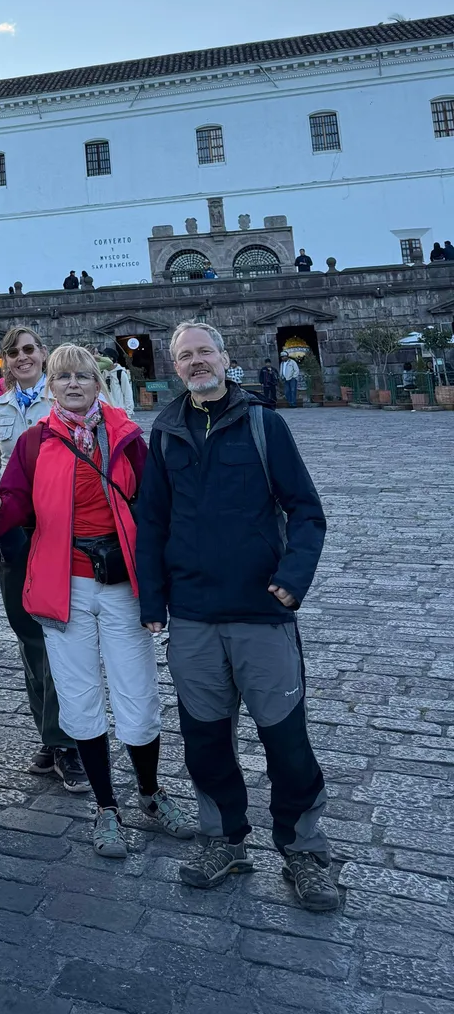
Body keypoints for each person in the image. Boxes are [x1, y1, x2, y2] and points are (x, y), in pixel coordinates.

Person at [136, 322, 335, 911]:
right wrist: (153, 599)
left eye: (205, 352)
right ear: (176, 367)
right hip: (193, 614)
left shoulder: (264, 424)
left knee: (286, 739)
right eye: (185, 355)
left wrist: (293, 581)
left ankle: (303, 849)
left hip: (261, 611)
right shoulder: (164, 432)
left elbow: (307, 511)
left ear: (225, 359)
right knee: (204, 740)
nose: (196, 362)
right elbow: (152, 522)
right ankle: (222, 838)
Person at [0, 345, 192, 856]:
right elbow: (15, 500)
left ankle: (150, 792)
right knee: (78, 696)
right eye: (62, 377)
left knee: (137, 693)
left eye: (82, 376)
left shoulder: (126, 436)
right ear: (50, 387)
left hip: (121, 582)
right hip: (65, 584)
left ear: (98, 384)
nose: (73, 384)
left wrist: (162, 582)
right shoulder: (34, 442)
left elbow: (155, 507)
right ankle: (105, 806)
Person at [0, 327, 87, 791]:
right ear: (5, 360)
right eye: (13, 352)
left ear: (43, 353)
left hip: (61, 534)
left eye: (29, 349)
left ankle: (65, 741)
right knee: (29, 638)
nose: (22, 357)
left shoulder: (64, 397)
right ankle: (51, 735)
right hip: (17, 535)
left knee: (60, 636)